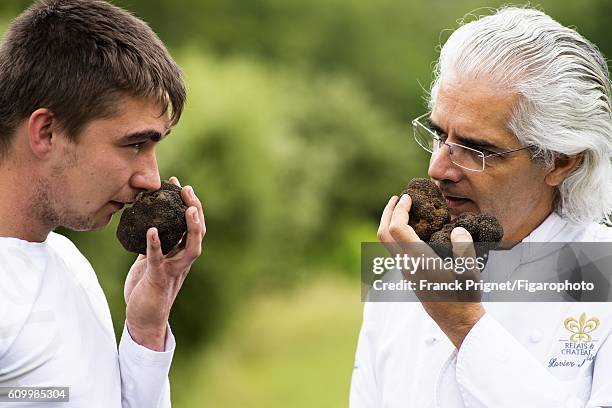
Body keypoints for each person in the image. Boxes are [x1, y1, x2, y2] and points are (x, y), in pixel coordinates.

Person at [350, 7, 612, 407]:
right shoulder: (401, 277)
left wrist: (464, 324)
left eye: (477, 150)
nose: (438, 168)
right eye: (439, 135)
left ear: (561, 161)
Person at [0, 1, 205, 407]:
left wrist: (147, 327)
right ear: (47, 132)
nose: (150, 178)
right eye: (134, 144)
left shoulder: (67, 260)